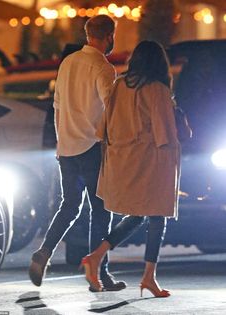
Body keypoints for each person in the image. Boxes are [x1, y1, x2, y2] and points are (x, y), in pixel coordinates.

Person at [29, 14, 126, 292]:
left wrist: (62, 144)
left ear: (87, 34)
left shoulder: (68, 63)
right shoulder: (103, 67)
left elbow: (57, 105)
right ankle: (99, 273)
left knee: (70, 205)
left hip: (67, 147)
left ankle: (44, 252)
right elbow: (111, 106)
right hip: (93, 147)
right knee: (101, 210)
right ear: (109, 36)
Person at [81, 40, 181, 296]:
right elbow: (164, 133)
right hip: (149, 161)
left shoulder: (119, 85)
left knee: (138, 215)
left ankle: (97, 256)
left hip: (122, 160)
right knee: (157, 215)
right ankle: (148, 277)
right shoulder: (157, 89)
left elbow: (103, 127)